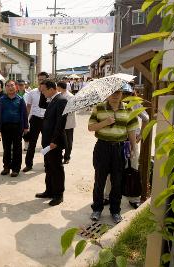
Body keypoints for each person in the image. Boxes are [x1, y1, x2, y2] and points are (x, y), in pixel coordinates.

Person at [88, 88, 139, 224]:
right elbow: (91, 127)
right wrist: (105, 122)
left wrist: (133, 147)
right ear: (107, 94)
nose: (115, 95)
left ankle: (115, 211)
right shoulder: (99, 107)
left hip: (119, 148)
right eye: (113, 93)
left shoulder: (128, 109)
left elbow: (131, 130)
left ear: (122, 94)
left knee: (117, 181)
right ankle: (97, 209)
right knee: (100, 180)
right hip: (102, 147)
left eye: (118, 93)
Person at [35, 80, 68, 206]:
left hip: (55, 142)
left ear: (51, 89)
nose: (42, 93)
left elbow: (60, 123)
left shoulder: (61, 100)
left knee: (56, 168)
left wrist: (54, 141)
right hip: (47, 140)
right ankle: (49, 191)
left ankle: (58, 195)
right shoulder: (52, 100)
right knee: (48, 167)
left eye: (43, 91)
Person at [0, 80, 29, 177]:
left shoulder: (20, 99)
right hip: (5, 127)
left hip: (17, 127)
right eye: (8, 86)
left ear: (15, 87)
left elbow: (24, 114)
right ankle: (6, 167)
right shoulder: (1, 100)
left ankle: (16, 169)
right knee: (6, 148)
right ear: (5, 88)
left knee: (17, 148)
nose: (10, 87)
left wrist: (26, 127)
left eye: (12, 85)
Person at [22, 72, 48, 172]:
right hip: (35, 119)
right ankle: (28, 164)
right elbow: (28, 107)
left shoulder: (50, 93)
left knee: (46, 143)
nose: (41, 81)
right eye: (39, 79)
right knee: (32, 143)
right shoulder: (32, 93)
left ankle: (47, 164)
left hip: (46, 120)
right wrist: (26, 122)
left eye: (43, 79)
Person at [57, 81, 76, 164]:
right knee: (59, 139)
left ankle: (67, 157)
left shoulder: (71, 96)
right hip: (60, 121)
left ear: (60, 87)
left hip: (69, 122)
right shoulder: (58, 95)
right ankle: (59, 156)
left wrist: (62, 112)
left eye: (57, 87)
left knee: (68, 140)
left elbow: (72, 110)